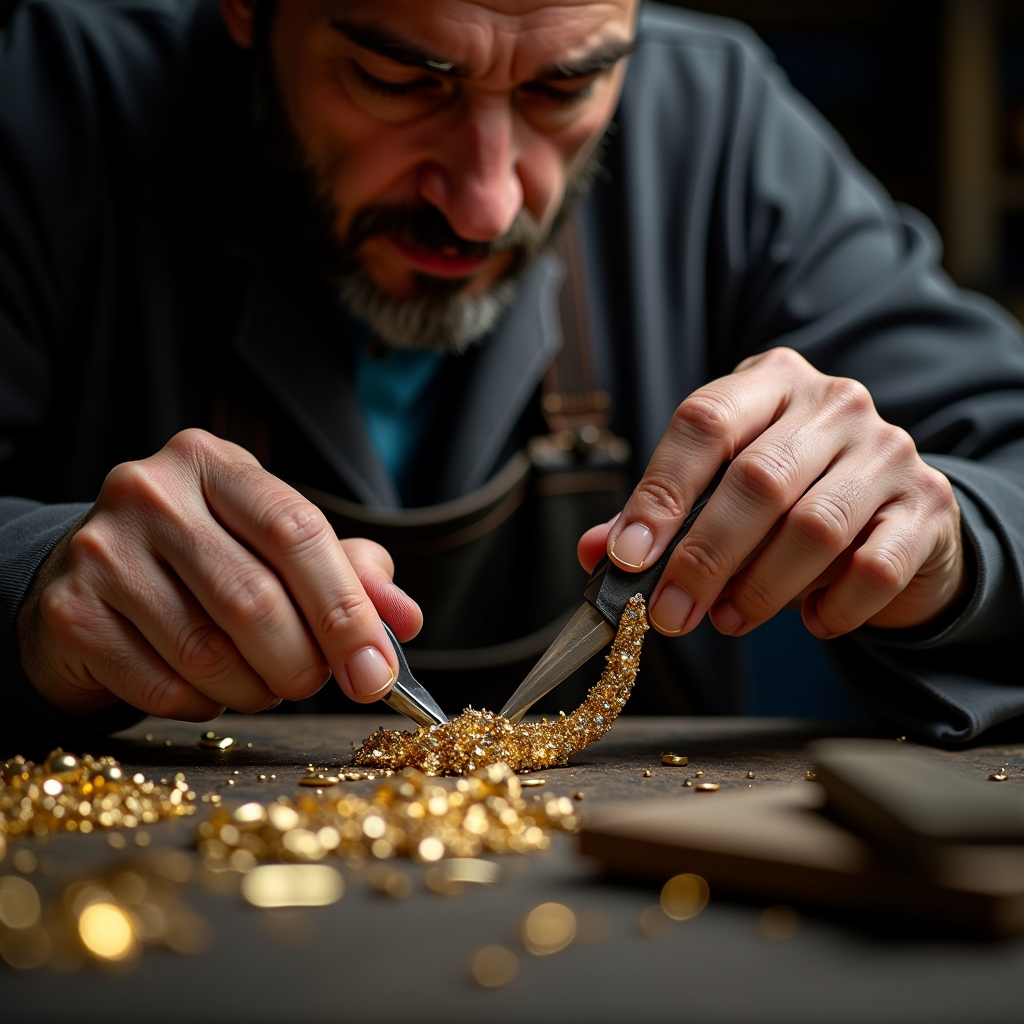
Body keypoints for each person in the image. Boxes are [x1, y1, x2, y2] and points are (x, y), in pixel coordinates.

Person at [2, 0, 1023, 749]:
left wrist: (947, 545)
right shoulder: (47, 95)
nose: (487, 207)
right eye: (400, 79)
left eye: (564, 88)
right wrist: (31, 581)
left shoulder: (715, 121)